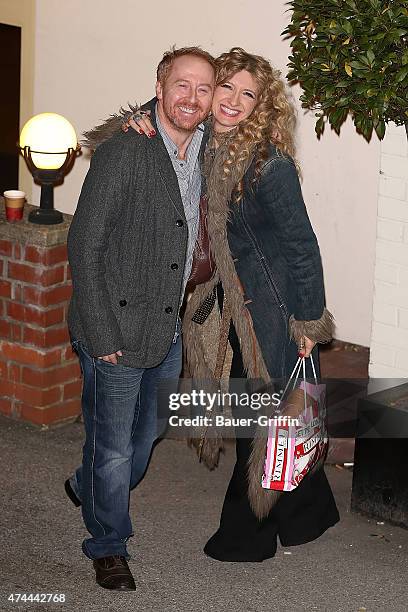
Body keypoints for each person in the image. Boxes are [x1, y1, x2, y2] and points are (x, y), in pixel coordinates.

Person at [126, 47, 340, 562]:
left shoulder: (269, 165)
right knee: (278, 416)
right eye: (228, 87)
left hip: (272, 310)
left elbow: (302, 246)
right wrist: (137, 119)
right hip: (228, 308)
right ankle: (310, 513)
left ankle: (246, 536)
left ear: (261, 107)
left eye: (249, 94)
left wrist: (308, 319)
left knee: (260, 421)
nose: (234, 101)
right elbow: (169, 112)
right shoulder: (201, 146)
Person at [65, 46, 215, 590]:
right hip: (115, 329)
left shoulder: (206, 152)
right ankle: (107, 544)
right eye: (182, 84)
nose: (191, 97)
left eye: (203, 88)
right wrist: (102, 334)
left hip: (167, 328)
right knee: (114, 449)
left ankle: (86, 484)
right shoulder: (126, 152)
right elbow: (84, 244)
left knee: (144, 439)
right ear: (159, 86)